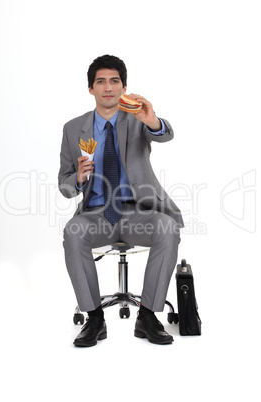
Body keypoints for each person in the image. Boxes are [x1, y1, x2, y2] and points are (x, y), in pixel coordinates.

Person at [58, 54, 184, 347]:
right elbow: (65, 184)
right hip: (97, 215)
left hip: (139, 213)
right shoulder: (72, 128)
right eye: (100, 81)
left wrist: (152, 120)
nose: (108, 87)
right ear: (91, 89)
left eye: (115, 81)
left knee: (167, 227)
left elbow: (165, 135)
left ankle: (149, 316)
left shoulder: (138, 119)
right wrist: (77, 177)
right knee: (73, 233)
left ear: (124, 87)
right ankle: (94, 318)